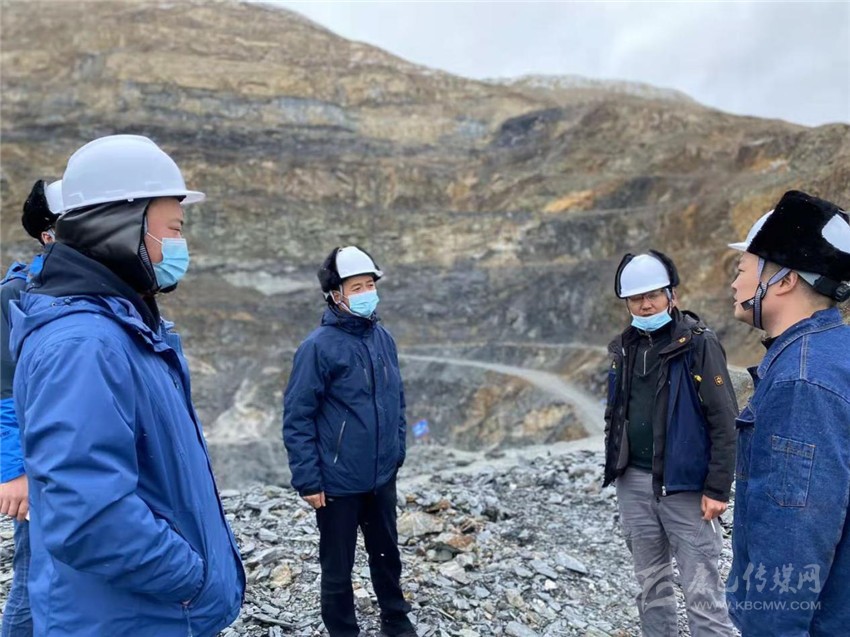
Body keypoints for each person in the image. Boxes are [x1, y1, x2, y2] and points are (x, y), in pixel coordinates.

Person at [8, 135, 245, 637]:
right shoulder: (84, 344)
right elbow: (87, 515)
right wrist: (189, 578)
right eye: (173, 229)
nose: (180, 245)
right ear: (119, 224)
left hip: (145, 613)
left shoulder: (124, 328)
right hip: (131, 617)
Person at [726, 190, 850, 635]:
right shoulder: (835, 353)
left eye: (742, 270)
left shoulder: (802, 382)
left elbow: (793, 537)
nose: (735, 284)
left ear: (783, 281)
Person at [283, 246, 416, 637]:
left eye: (370, 284)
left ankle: (396, 619)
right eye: (357, 287)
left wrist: (397, 451)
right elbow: (298, 417)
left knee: (387, 554)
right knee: (337, 567)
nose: (367, 293)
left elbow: (396, 399)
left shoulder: (383, 338)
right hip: (338, 483)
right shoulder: (317, 348)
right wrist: (308, 479)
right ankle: (343, 631)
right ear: (335, 294)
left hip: (381, 476)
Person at [603, 250, 737, 636]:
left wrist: (717, 488)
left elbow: (724, 419)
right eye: (636, 299)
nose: (645, 305)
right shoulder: (623, 347)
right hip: (634, 482)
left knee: (702, 589)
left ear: (671, 295)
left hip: (685, 486)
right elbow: (616, 411)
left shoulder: (698, 344)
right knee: (651, 586)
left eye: (653, 295)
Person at [0, 178, 62, 637]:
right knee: (36, 577)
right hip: (42, 466)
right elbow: (3, 388)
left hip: (92, 458)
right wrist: (13, 469)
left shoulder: (115, 292)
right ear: (48, 234)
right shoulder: (16, 295)